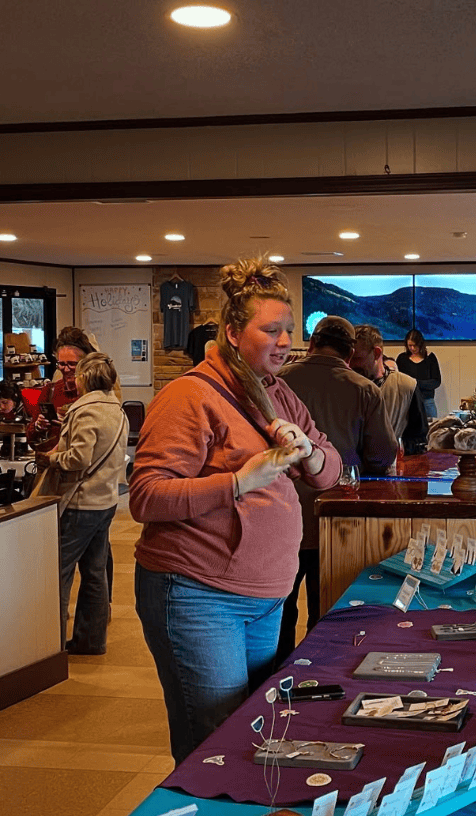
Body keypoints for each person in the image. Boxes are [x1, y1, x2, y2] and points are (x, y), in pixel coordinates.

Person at [130, 258, 341, 765]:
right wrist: (238, 482)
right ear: (231, 332)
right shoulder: (189, 396)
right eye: (271, 330)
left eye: (290, 329)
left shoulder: (278, 393)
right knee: (214, 744)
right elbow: (146, 495)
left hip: (265, 597)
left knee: (254, 736)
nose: (285, 340)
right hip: (199, 596)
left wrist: (309, 453)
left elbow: (331, 469)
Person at [276, 316, 397, 663]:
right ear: (349, 354)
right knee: (325, 614)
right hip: (335, 520)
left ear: (311, 344)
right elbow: (382, 455)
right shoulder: (363, 389)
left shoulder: (277, 383)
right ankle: (313, 682)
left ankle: (271, 687)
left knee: (276, 618)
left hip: (279, 517)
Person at [35, 352, 128, 655]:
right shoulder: (118, 409)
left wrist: (50, 458)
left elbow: (78, 458)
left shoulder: (86, 410)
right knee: (95, 573)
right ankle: (91, 640)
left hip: (81, 503)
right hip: (106, 500)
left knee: (59, 573)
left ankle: (49, 648)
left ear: (86, 377)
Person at [351, 324, 428, 454]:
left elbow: (419, 440)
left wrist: (397, 448)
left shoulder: (407, 387)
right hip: (350, 471)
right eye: (348, 358)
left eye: (357, 358)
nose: (351, 364)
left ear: (377, 353)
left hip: (391, 470)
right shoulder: (345, 385)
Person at [26, 327, 97, 452]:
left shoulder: (94, 393)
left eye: (72, 364)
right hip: (53, 466)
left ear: (85, 363)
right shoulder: (50, 391)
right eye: (61, 364)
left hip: (82, 466)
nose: (66, 369)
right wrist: (38, 426)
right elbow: (31, 440)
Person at [396, 328, 441, 418]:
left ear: (420, 344)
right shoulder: (402, 359)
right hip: (407, 402)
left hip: (427, 402)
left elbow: (436, 381)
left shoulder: (430, 358)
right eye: (409, 346)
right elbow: (397, 380)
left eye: (415, 345)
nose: (412, 348)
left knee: (432, 430)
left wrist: (416, 383)